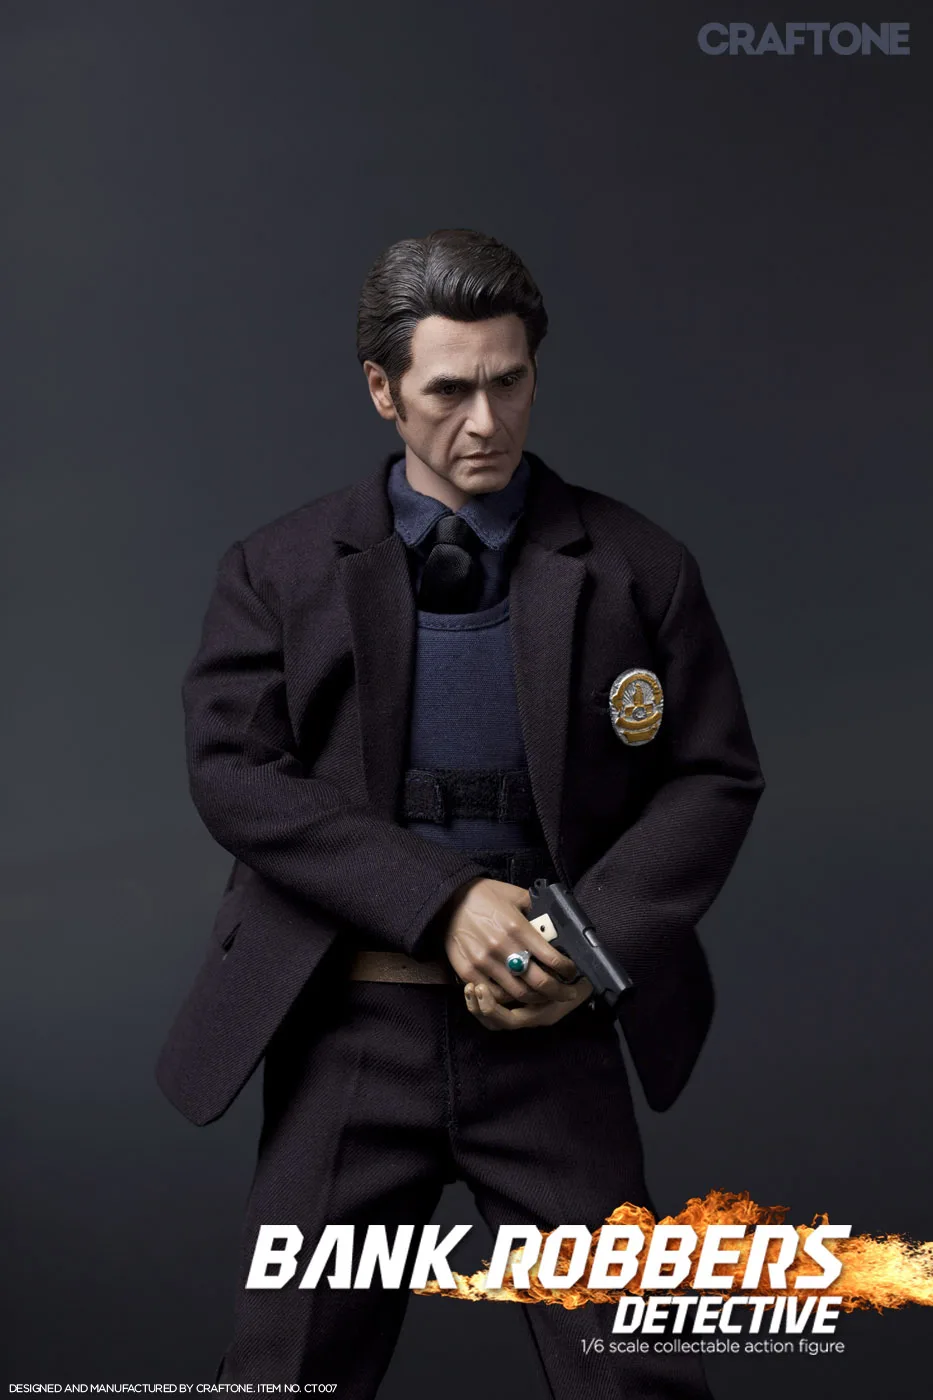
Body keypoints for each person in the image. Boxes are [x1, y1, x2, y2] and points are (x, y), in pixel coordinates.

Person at [156, 227, 765, 1396]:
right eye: (448, 390)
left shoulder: (637, 567)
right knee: (284, 1368)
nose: (486, 421)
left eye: (509, 381)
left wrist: (582, 942)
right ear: (383, 390)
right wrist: (441, 901)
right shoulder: (281, 569)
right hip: (348, 1026)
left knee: (636, 1368)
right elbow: (234, 770)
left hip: (552, 1030)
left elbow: (713, 775)